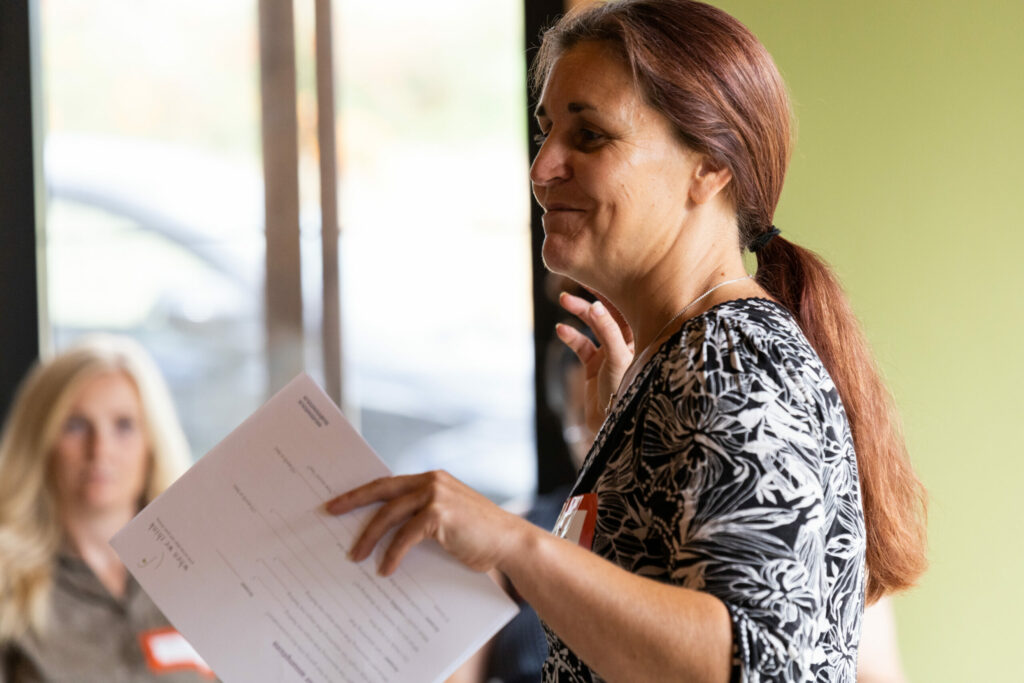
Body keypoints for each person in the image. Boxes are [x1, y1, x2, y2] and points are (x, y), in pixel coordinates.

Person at [325, 1, 928, 681]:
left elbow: (755, 665)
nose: (543, 166)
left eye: (589, 137)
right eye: (546, 130)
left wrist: (514, 542)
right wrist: (620, 451)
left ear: (708, 165)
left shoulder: (733, 360)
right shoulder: (684, 359)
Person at [0, 336, 211, 682]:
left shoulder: (202, 575)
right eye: (75, 425)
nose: (100, 450)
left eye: (124, 425)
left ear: (152, 443)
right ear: (40, 441)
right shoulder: (9, 588)